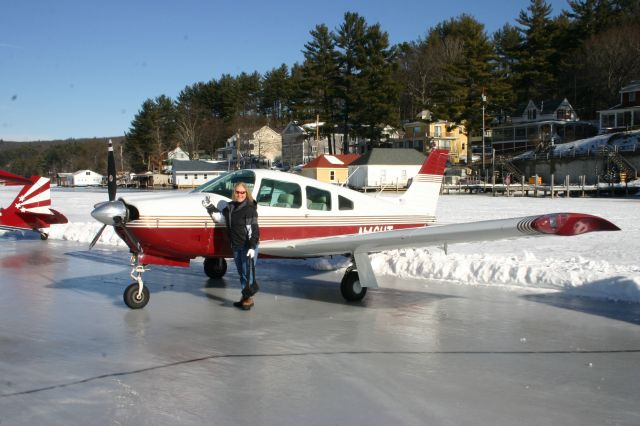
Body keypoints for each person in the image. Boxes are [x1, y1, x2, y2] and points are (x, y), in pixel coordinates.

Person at [203, 182, 260, 310]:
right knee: (241, 273)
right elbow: (221, 219)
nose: (240, 194)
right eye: (237, 192)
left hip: (247, 246)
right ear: (234, 193)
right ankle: (245, 297)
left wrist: (252, 247)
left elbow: (254, 230)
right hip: (236, 246)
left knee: (247, 273)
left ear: (246, 194)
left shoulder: (249, 209)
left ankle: (248, 299)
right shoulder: (230, 208)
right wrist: (210, 207)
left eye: (242, 192)